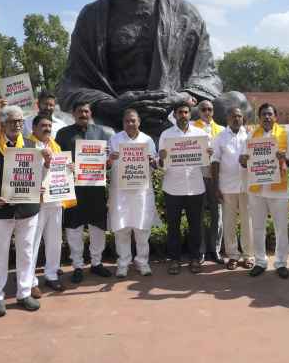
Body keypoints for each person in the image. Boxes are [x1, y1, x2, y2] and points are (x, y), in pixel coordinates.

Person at [57, 0, 221, 137]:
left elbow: (209, 78)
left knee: (233, 103)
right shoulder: (91, 16)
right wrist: (110, 104)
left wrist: (179, 98)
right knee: (81, 133)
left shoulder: (186, 14)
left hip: (172, 112)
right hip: (112, 116)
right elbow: (70, 86)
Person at [0, 104, 41, 316]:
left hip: (28, 208)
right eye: (13, 121)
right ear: (3, 123)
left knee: (26, 251)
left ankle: (24, 293)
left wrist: (43, 176)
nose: (17, 124)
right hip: (2, 208)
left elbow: (39, 176)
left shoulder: (32, 145)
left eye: (20, 121)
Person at [56, 101, 113, 283]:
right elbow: (58, 159)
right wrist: (67, 165)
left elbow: (107, 160)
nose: (83, 114)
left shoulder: (102, 133)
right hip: (74, 189)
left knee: (98, 227)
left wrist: (108, 163)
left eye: (86, 111)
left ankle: (96, 263)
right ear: (73, 113)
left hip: (96, 188)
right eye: (80, 111)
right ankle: (78, 266)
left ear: (90, 113)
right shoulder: (63, 134)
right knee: (74, 229)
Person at [158, 102, 212, 274]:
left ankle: (195, 257)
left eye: (186, 112)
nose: (183, 115)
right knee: (173, 226)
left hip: (195, 187)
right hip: (172, 188)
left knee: (195, 226)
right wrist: (162, 158)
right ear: (174, 115)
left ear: (190, 114)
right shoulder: (166, 135)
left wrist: (208, 155)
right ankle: (174, 259)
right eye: (180, 112)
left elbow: (207, 164)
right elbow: (161, 165)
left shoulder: (200, 134)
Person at [107, 108, 159, 277]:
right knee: (122, 228)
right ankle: (123, 263)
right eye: (127, 121)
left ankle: (142, 262)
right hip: (120, 192)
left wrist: (153, 161)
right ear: (123, 123)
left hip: (141, 193)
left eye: (133, 120)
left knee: (142, 229)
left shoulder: (147, 140)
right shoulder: (114, 140)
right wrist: (110, 159)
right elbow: (105, 165)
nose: (130, 124)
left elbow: (156, 163)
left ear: (139, 122)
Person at [28, 113, 76, 293]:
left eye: (49, 126)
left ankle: (52, 275)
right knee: (32, 242)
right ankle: (29, 281)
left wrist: (70, 168)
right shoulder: (28, 146)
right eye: (43, 126)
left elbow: (62, 172)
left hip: (55, 200)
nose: (47, 129)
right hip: (37, 202)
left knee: (55, 241)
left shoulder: (56, 146)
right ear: (33, 129)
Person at [242, 103, 289, 278]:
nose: (267, 117)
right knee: (258, 227)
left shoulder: (285, 134)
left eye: (270, 114)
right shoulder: (251, 135)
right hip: (257, 189)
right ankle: (260, 261)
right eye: (263, 114)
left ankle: (281, 263)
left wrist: (284, 158)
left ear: (275, 116)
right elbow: (243, 161)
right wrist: (243, 159)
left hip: (278, 189)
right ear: (259, 117)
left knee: (281, 228)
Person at [211, 106, 253, 270]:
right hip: (227, 186)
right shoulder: (219, 137)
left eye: (239, 116)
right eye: (233, 116)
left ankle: (249, 255)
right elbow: (214, 161)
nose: (236, 119)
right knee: (228, 222)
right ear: (227, 119)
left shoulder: (249, 135)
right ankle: (233, 255)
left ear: (243, 118)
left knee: (247, 222)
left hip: (246, 185)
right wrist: (216, 187)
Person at [194, 99, 224, 264]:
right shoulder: (192, 129)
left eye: (209, 109)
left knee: (217, 214)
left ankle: (216, 250)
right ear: (199, 112)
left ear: (213, 112)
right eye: (203, 109)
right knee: (198, 215)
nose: (207, 112)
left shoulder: (221, 130)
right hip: (198, 176)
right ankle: (201, 251)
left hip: (216, 177)